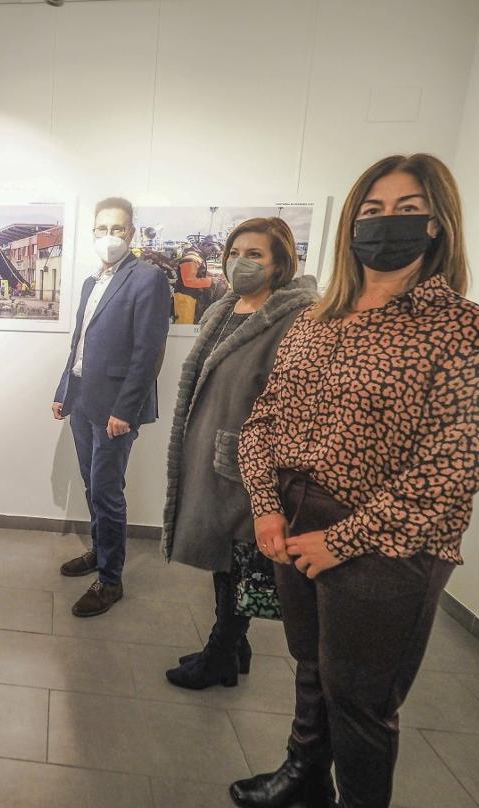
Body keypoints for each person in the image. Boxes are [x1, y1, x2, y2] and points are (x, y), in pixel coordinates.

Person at [231, 154, 479, 808]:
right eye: (373, 211)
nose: (388, 224)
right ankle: (303, 780)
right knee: (312, 666)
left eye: (408, 211)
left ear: (438, 226)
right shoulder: (318, 319)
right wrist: (267, 507)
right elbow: (265, 419)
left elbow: (452, 465)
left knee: (360, 699)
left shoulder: (462, 329)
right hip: (296, 518)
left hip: (390, 545)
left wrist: (344, 540)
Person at [161, 217, 317, 690]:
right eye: (235, 252)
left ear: (280, 263)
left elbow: (289, 400)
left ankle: (221, 654)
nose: (240, 262)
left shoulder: (296, 318)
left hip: (250, 461)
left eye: (255, 255)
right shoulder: (226, 308)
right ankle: (234, 644)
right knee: (225, 559)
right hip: (211, 451)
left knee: (240, 558)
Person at [52, 197, 170, 617]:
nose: (109, 237)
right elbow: (79, 343)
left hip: (116, 405)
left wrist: (126, 409)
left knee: (107, 490)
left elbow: (148, 352)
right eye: (102, 229)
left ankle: (110, 579)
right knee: (91, 483)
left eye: (117, 229)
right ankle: (100, 553)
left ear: (131, 233)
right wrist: (64, 389)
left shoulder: (148, 279)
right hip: (83, 396)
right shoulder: (91, 282)